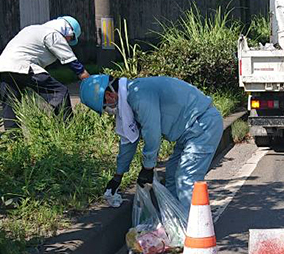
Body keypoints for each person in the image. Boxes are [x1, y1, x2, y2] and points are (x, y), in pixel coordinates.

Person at [80, 74, 223, 209]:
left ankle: (195, 230)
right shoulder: (129, 100)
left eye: (105, 107)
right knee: (172, 176)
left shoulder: (138, 96)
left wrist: (148, 168)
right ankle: (177, 224)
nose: (108, 111)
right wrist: (118, 177)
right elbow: (129, 141)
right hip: (188, 132)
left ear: (109, 95)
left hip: (202, 126)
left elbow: (152, 132)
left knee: (186, 179)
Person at [0, 16, 90, 129]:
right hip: (24, 66)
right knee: (59, 92)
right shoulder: (53, 34)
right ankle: (66, 128)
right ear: (67, 30)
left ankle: (13, 141)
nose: (69, 42)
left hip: (3, 67)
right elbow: (71, 61)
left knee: (11, 103)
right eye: (71, 38)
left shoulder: (31, 29)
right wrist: (90, 81)